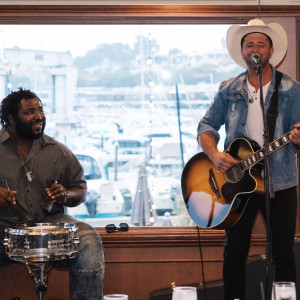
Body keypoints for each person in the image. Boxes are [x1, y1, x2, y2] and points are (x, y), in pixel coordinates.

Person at [197, 19, 300, 300]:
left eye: (261, 43)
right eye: (249, 44)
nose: (255, 48)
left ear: (271, 50)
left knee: (283, 254)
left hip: (281, 182)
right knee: (233, 253)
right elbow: (206, 128)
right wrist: (215, 155)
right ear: (243, 52)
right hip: (237, 183)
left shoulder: (292, 89)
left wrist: (297, 141)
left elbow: (297, 133)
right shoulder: (228, 88)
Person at [0, 88, 105, 300]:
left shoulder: (58, 151)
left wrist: (66, 195)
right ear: (11, 118)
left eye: (40, 110)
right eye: (30, 112)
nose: (39, 116)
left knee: (88, 239)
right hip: (3, 226)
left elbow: (81, 189)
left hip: (49, 224)